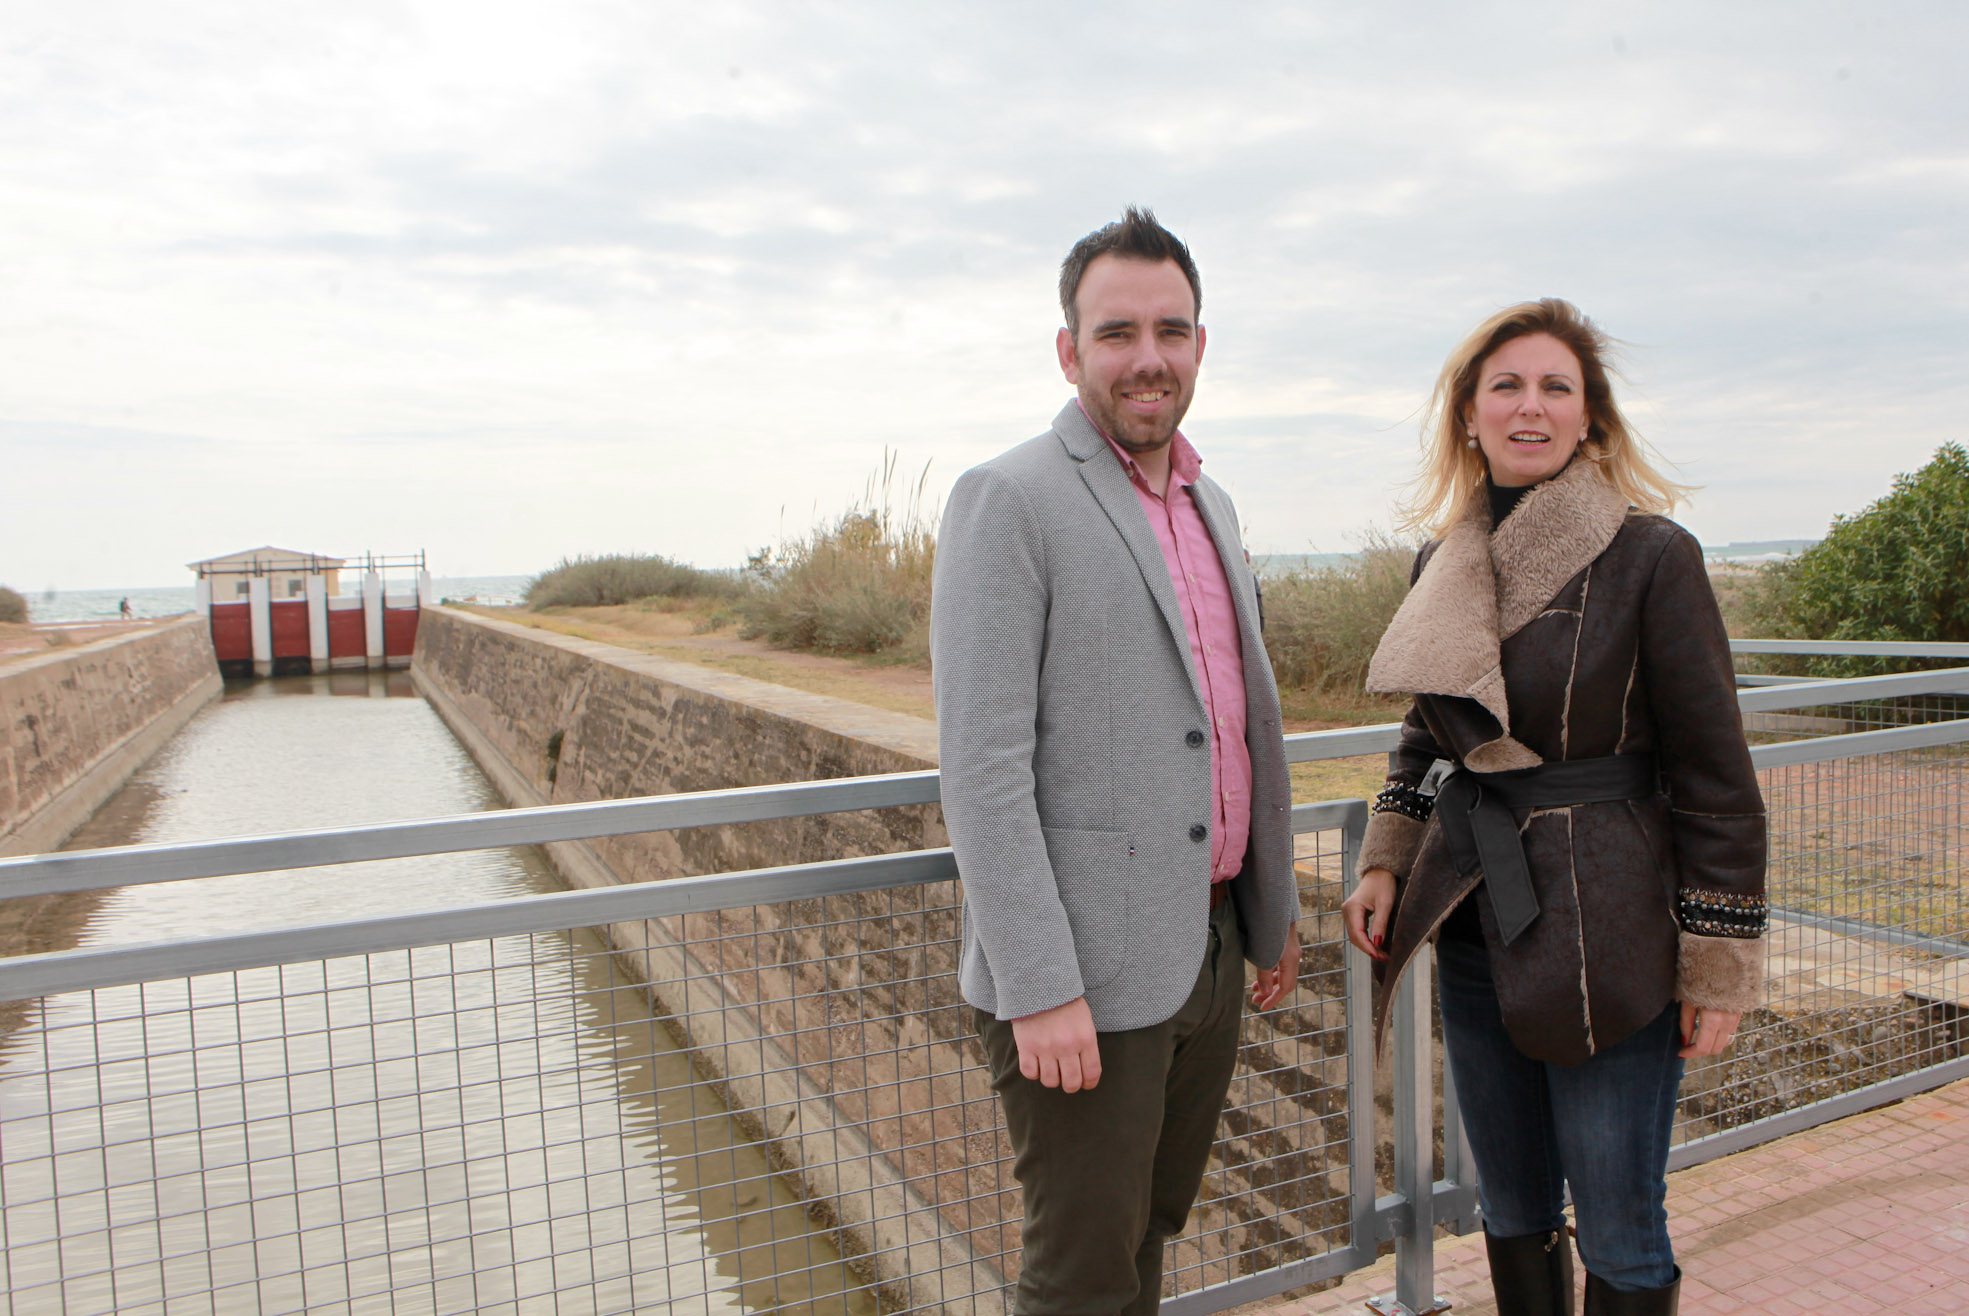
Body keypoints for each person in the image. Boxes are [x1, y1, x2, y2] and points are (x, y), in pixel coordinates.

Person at [1342, 299, 1766, 1315]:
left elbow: (1716, 774)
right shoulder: (1438, 561)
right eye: (1506, 385)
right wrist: (1387, 854)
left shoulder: (1652, 556)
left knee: (1620, 1215)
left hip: (1612, 924)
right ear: (1469, 414)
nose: (1529, 406)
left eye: (1554, 387)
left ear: (1590, 420)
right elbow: (1428, 730)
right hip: (1475, 914)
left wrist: (1718, 958)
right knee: (1512, 1200)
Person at [931, 207, 1302, 1315]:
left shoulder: (1209, 501)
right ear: (1069, 350)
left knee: (1150, 1231)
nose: (1149, 357)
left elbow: (1239, 721)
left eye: (1172, 330)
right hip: (1080, 976)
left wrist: (1266, 913)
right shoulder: (1009, 498)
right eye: (1117, 331)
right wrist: (1039, 985)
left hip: (1209, 944)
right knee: (1078, 1276)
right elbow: (981, 766)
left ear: (1199, 344)